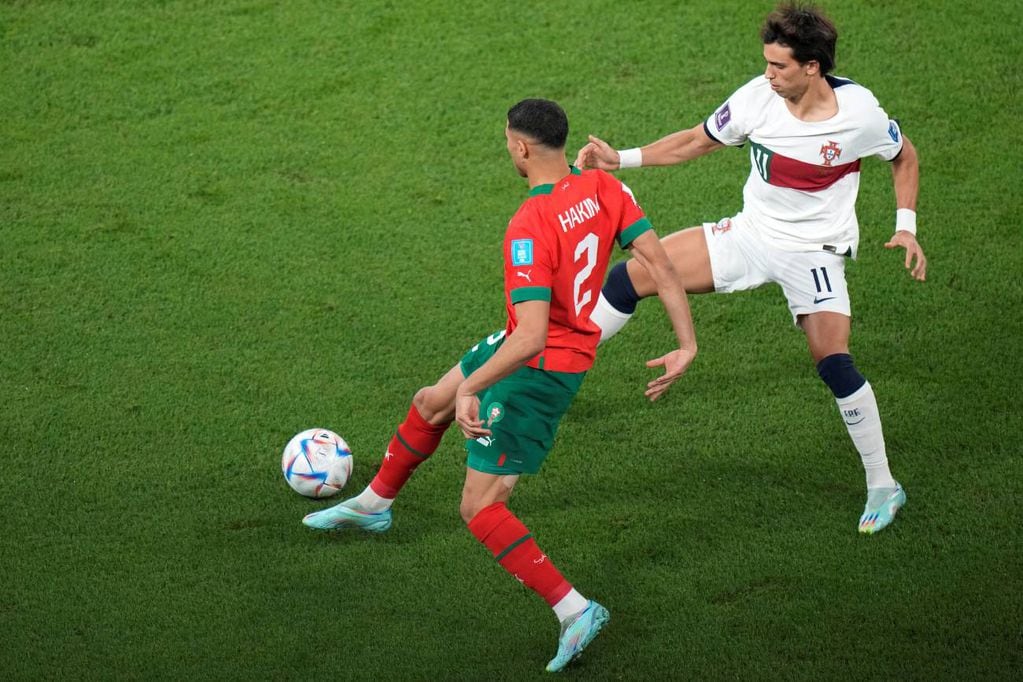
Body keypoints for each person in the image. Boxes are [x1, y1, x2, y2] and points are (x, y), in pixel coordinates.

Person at [303, 98, 698, 672]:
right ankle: (374, 504)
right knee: (430, 402)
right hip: (525, 344)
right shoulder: (605, 189)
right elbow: (661, 266)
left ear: (520, 147)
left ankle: (575, 610)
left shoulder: (529, 224)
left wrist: (476, 388)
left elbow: (532, 338)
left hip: (538, 372)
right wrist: (686, 343)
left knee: (481, 505)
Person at [574, 2, 926, 535]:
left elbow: (904, 156)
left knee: (833, 362)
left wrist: (906, 225)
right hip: (750, 233)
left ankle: (883, 484)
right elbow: (697, 140)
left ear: (813, 67)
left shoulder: (860, 115)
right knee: (634, 274)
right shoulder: (757, 99)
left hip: (815, 252)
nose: (768, 75)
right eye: (766, 63)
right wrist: (619, 158)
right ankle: (558, 371)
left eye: (779, 66)